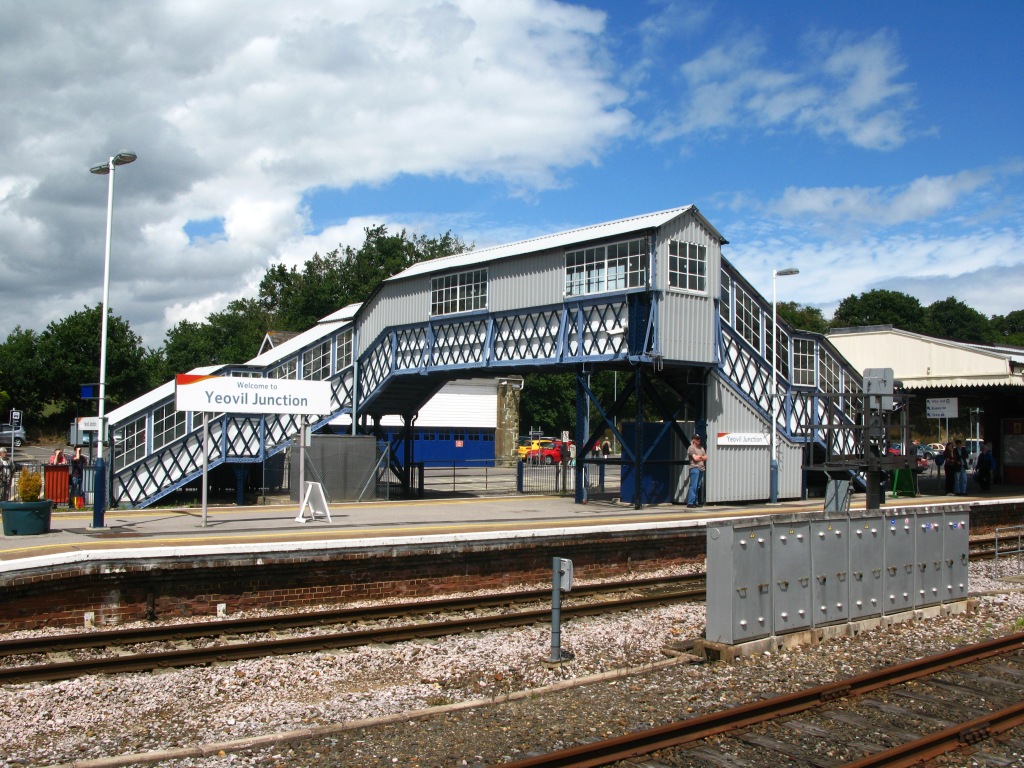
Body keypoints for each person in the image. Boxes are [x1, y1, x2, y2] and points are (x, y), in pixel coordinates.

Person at [685, 434, 707, 508]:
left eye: (699, 438)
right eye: (697, 439)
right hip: (694, 468)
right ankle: (690, 502)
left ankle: (695, 501)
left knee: (698, 486)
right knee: (693, 486)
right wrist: (701, 457)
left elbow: (706, 457)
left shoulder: (701, 448)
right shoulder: (691, 448)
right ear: (693, 439)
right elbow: (695, 459)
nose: (699, 440)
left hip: (701, 468)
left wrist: (700, 457)